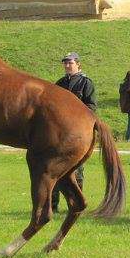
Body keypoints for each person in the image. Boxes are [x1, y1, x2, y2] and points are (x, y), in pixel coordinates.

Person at [55, 51, 94, 195]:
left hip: (76, 134)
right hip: (59, 133)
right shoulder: (60, 83)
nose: (67, 65)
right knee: (54, 167)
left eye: (70, 62)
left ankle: (78, 202)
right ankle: (53, 205)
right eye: (65, 63)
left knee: (76, 169)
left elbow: (91, 107)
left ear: (78, 64)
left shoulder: (86, 83)